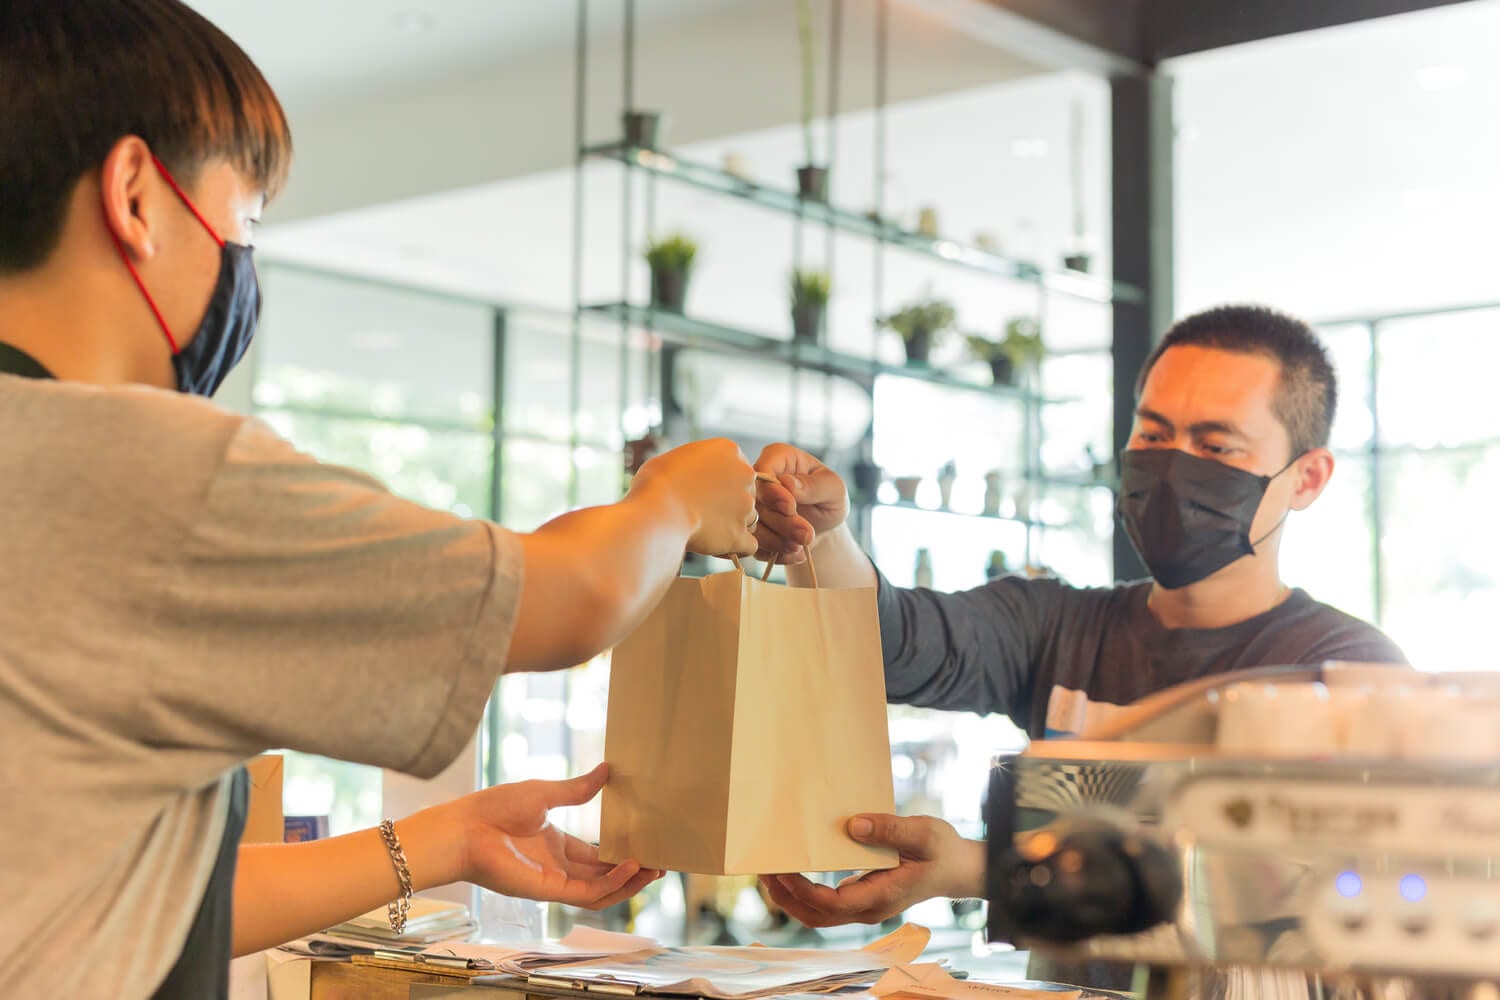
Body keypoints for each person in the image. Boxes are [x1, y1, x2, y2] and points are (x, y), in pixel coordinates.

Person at [0, 2, 761, 997]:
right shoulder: (135, 470)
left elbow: (102, 894)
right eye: (245, 223)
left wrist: (444, 840)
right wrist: (677, 491)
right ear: (137, 194)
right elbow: (573, 597)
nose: (242, 262)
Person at [749, 303, 1407, 930]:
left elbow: (1313, 890)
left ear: (1307, 479)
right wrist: (823, 535)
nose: (1173, 468)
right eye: (1152, 433)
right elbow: (891, 646)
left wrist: (989, 870)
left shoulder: (1351, 677)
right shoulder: (1055, 627)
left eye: (1216, 446)